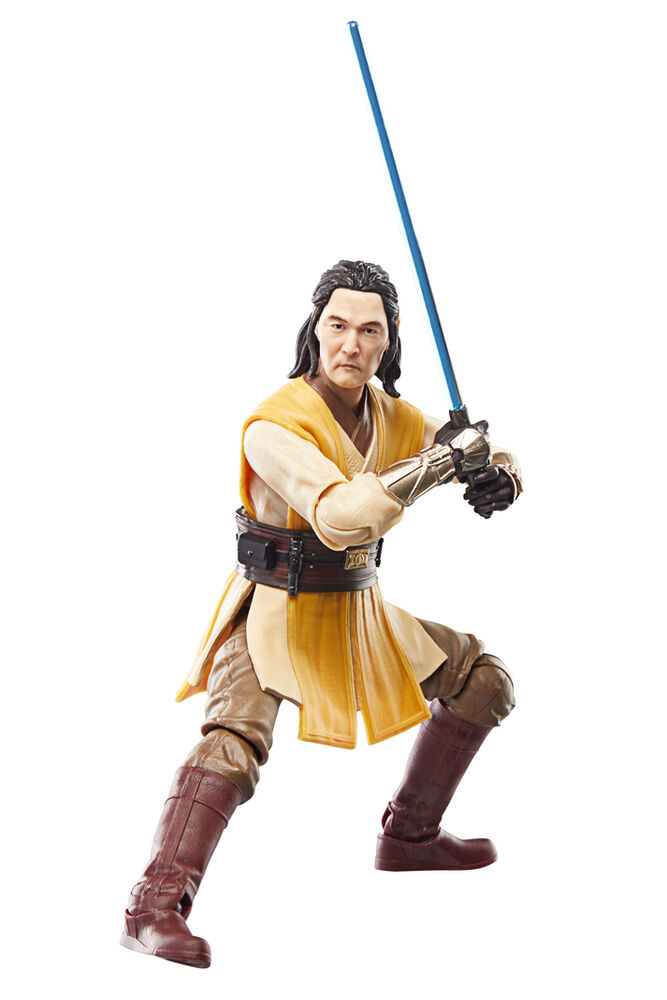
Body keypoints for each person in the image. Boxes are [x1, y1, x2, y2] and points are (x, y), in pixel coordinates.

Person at [120, 260, 522, 968]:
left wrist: (497, 476)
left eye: (369, 331)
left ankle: (410, 836)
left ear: (389, 340)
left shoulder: (391, 416)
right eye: (337, 326)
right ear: (315, 328)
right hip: (278, 609)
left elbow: (483, 449)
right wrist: (438, 465)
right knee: (233, 742)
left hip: (357, 609)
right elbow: (340, 518)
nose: (350, 345)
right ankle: (153, 904)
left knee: (483, 681)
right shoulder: (275, 426)